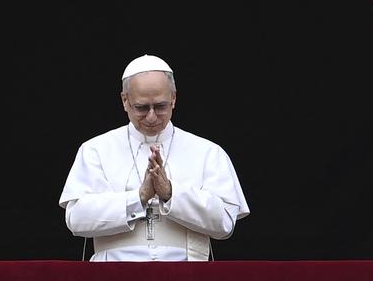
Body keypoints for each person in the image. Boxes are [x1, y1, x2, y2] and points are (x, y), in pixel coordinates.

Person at [58, 54, 249, 261]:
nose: (151, 116)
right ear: (125, 100)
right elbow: (76, 219)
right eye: (141, 107)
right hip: (113, 271)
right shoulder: (95, 150)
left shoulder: (208, 152)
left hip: (188, 271)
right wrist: (138, 197)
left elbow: (225, 223)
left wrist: (170, 193)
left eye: (160, 106)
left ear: (174, 99)